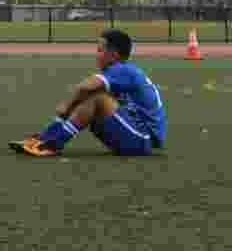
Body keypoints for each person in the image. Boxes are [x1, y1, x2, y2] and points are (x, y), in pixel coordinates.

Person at [9, 29, 167, 157]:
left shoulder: (124, 70)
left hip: (144, 139)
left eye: (100, 50)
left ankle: (53, 144)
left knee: (95, 96)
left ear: (113, 54)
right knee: (90, 95)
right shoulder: (120, 71)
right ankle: (43, 138)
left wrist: (66, 105)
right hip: (134, 135)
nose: (96, 54)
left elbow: (85, 87)